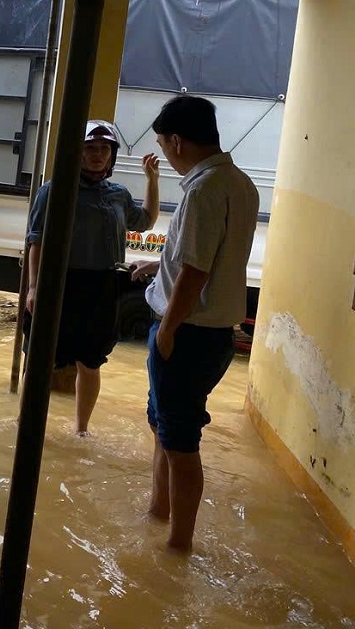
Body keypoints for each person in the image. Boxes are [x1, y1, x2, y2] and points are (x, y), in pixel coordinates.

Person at [130, 95, 258, 553]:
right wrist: (156, 267)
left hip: (187, 334)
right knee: (166, 427)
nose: (164, 151)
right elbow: (202, 257)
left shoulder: (204, 190)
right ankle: (157, 511)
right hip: (209, 333)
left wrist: (167, 330)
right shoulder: (238, 182)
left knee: (180, 441)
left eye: (164, 144)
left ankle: (177, 545)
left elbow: (198, 271)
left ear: (178, 141)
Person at [25, 120, 160, 434]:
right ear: (78, 152)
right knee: (41, 359)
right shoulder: (54, 190)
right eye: (90, 148)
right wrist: (33, 286)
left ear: (111, 155)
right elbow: (36, 240)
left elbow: (146, 222)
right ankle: (28, 424)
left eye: (103, 149)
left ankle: (81, 429)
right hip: (59, 284)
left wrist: (152, 180)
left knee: (91, 362)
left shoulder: (118, 195)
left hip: (102, 286)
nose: (97, 155)